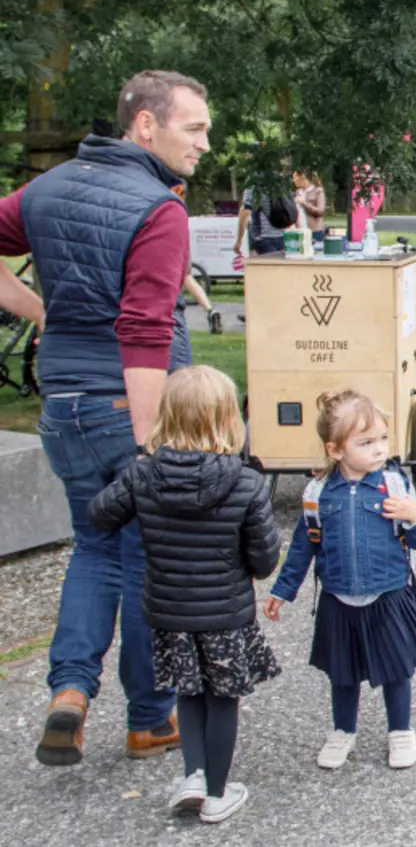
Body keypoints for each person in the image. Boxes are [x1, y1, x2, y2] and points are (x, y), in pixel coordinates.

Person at [0, 69, 210, 766]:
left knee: (93, 548)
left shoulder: (49, 187)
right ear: (145, 126)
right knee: (147, 559)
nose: (204, 143)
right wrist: (153, 443)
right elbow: (145, 327)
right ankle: (150, 718)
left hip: (63, 406)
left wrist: (43, 312)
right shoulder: (158, 208)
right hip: (130, 407)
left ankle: (70, 692)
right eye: (195, 128)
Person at [88, 366, 280, 823]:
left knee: (188, 693)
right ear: (228, 418)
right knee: (222, 698)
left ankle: (192, 775)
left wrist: (133, 481)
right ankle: (217, 793)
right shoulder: (245, 483)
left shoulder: (142, 475)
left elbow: (99, 516)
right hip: (226, 613)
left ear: (166, 416)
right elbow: (264, 559)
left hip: (169, 611)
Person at [264, 389, 416, 770]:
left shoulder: (393, 485)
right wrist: (282, 590)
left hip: (389, 592)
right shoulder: (318, 493)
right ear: (336, 449)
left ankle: (401, 730)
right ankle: (342, 730)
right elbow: (303, 547)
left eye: (382, 439)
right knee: (342, 671)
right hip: (338, 597)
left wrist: (415, 513)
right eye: (366, 442)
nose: (379, 449)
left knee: (396, 667)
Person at [235, 181, 286, 256]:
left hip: (263, 237)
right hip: (282, 235)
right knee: (279, 266)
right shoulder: (279, 182)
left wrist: (239, 240)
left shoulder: (253, 184)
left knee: (264, 266)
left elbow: (245, 213)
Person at [294, 170, 328, 243]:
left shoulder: (318, 191)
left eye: (295, 177)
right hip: (300, 231)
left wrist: (304, 203)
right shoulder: (298, 192)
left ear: (302, 176)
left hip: (315, 231)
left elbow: (320, 211)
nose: (293, 180)